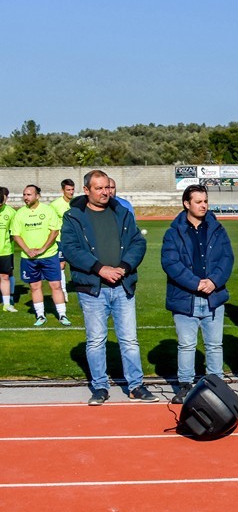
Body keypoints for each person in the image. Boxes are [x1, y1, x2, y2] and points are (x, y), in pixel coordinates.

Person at [61, 170, 156, 404]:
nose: (105, 192)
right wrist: (99, 269)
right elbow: (71, 249)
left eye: (108, 187)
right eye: (100, 188)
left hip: (123, 286)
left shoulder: (121, 212)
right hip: (93, 289)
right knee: (95, 340)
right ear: (87, 190)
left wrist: (124, 267)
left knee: (130, 339)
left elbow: (137, 243)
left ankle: (136, 386)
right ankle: (100, 387)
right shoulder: (73, 216)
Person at [161, 185, 234, 403]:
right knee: (186, 345)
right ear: (187, 204)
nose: (203, 205)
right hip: (185, 297)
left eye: (205, 201)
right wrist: (196, 284)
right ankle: (185, 385)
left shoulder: (217, 229)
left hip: (213, 296)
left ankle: (216, 384)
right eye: (198, 202)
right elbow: (171, 263)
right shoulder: (173, 232)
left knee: (214, 345)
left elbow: (227, 259)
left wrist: (214, 282)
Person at [11, 185, 69, 326]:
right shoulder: (20, 214)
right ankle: (41, 315)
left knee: (56, 285)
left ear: (37, 196)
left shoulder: (48, 210)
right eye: (24, 194)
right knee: (35, 287)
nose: (26, 197)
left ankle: (62, 315)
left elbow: (54, 231)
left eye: (29, 194)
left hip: (49, 255)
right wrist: (27, 250)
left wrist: (43, 248)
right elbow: (16, 234)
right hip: (29, 258)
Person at [50, 178, 75, 293]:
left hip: (75, 239)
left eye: (72, 189)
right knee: (61, 264)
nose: (71, 192)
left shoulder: (76, 204)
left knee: (77, 263)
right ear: (62, 190)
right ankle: (63, 290)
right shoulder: (55, 205)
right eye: (68, 189)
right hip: (60, 239)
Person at [0, 187, 19, 313]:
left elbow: (14, 233)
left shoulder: (11, 212)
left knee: (4, 276)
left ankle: (7, 304)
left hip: (5, 251)